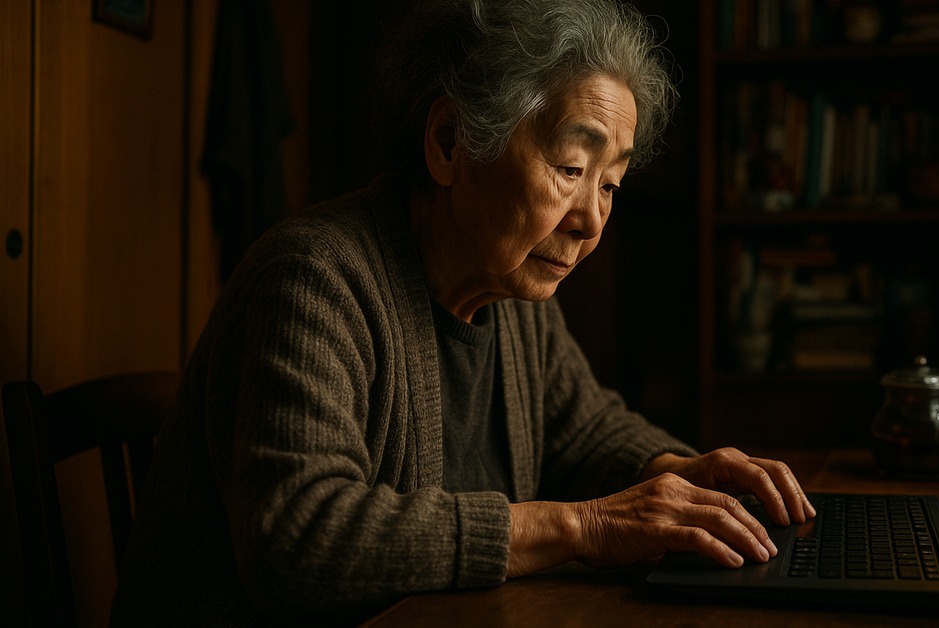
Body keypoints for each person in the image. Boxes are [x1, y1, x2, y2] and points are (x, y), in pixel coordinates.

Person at [111, 0, 816, 624]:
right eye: (571, 169)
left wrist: (681, 474)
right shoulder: (313, 277)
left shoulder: (512, 287)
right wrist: (583, 526)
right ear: (450, 143)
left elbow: (583, 430)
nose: (591, 221)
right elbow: (298, 537)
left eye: (611, 184)